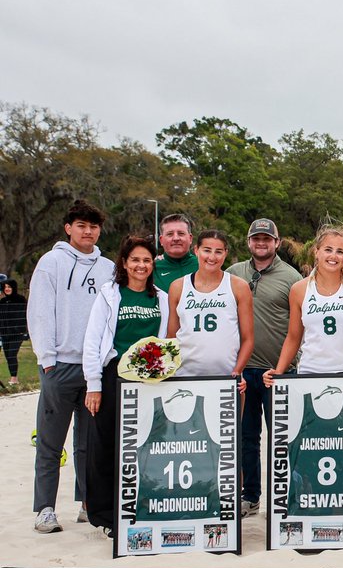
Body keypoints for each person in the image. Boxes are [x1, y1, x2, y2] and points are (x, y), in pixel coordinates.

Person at [28, 199, 115, 533]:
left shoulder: (108, 267)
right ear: (68, 228)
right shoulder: (52, 262)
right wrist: (46, 360)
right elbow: (38, 312)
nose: (88, 231)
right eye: (81, 226)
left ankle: (87, 503)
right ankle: (45, 508)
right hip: (60, 364)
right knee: (51, 441)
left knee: (88, 442)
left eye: (93, 227)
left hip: (94, 366)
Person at [82, 235, 170, 535]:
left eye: (147, 260)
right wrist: (93, 384)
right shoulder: (110, 293)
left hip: (149, 379)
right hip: (113, 376)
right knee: (106, 445)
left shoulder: (160, 297)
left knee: (143, 446)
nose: (141, 265)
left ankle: (141, 506)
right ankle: (106, 515)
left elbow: (166, 340)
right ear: (124, 262)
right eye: (135, 260)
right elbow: (93, 340)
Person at [227, 218, 302, 517]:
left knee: (282, 438)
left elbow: (299, 326)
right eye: (256, 238)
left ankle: (285, 495)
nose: (261, 243)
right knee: (246, 437)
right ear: (248, 242)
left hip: (278, 371)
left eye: (267, 239)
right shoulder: (233, 274)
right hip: (243, 370)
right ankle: (250, 496)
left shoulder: (291, 277)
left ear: (277, 242)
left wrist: (287, 366)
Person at [265, 227, 343, 384]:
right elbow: (293, 337)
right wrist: (278, 371)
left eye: (339, 251)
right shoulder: (299, 290)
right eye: (328, 249)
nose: (333, 256)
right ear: (317, 252)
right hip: (311, 371)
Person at [166, 229, 253, 382]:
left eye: (218, 251)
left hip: (226, 375)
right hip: (184, 375)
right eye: (207, 250)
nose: (212, 257)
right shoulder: (178, 286)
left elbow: (248, 338)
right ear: (196, 250)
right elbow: (171, 337)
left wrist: (237, 372)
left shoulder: (238, 286)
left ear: (225, 253)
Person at [152, 213, 199, 291]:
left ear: (190, 238)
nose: (176, 238)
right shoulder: (151, 269)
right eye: (170, 234)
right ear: (161, 240)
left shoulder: (203, 266)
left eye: (181, 233)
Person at [0, 277, 29, 385]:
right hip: (5, 333)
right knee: (8, 355)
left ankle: (14, 378)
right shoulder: (2, 301)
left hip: (17, 333)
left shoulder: (20, 299)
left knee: (12, 353)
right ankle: (13, 377)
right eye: (5, 287)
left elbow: (23, 315)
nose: (7, 289)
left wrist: (20, 329)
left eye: (9, 286)